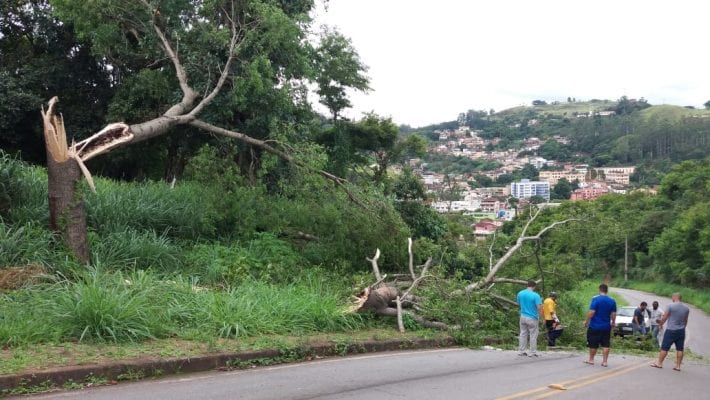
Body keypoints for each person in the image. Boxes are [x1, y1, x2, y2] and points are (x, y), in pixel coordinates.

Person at [650, 293, 690, 371]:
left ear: (675, 297)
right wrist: (683, 328)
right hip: (681, 331)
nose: (672, 298)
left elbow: (665, 317)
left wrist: (660, 324)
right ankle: (678, 366)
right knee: (680, 349)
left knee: (664, 347)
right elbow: (686, 320)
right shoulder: (686, 308)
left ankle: (659, 363)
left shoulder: (670, 306)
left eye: (672, 297)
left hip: (671, 330)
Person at [583, 284, 617, 367]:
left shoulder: (595, 299)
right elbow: (613, 314)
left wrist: (586, 321)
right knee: (606, 344)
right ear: (607, 291)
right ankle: (604, 362)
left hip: (595, 326)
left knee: (593, 343)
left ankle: (591, 360)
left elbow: (592, 312)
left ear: (599, 290)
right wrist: (613, 322)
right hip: (606, 327)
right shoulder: (612, 300)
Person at [516, 280, 543, 357]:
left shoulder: (520, 293)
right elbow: (539, 307)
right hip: (532, 317)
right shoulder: (536, 295)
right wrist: (542, 317)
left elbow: (518, 303)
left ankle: (521, 351)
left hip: (523, 316)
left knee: (523, 334)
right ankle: (532, 352)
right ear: (534, 286)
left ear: (527, 285)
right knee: (533, 335)